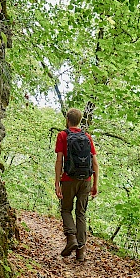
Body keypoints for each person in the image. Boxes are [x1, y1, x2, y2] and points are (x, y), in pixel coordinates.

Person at [54, 108, 99, 261]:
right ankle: (81, 251)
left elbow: (59, 160)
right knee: (81, 213)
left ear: (67, 119)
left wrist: (57, 183)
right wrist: (95, 184)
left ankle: (71, 238)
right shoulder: (87, 137)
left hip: (68, 179)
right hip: (86, 180)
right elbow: (95, 163)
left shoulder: (62, 135)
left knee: (66, 209)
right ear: (80, 121)